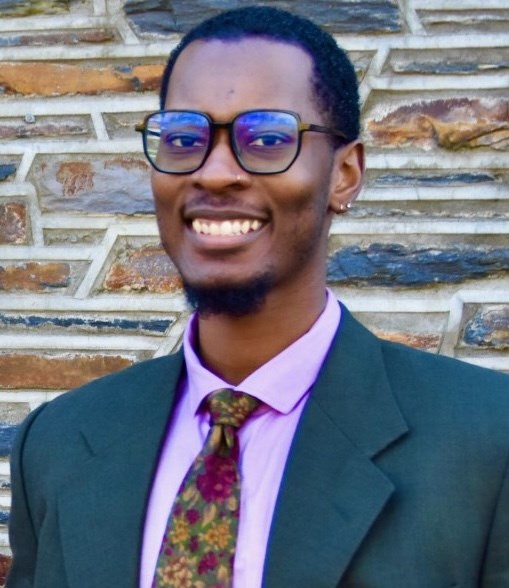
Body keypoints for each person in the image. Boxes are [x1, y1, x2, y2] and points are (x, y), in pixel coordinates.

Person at [7, 6, 509, 588]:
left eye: (268, 138)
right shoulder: (60, 441)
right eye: (183, 137)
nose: (215, 173)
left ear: (344, 174)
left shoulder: (485, 441)